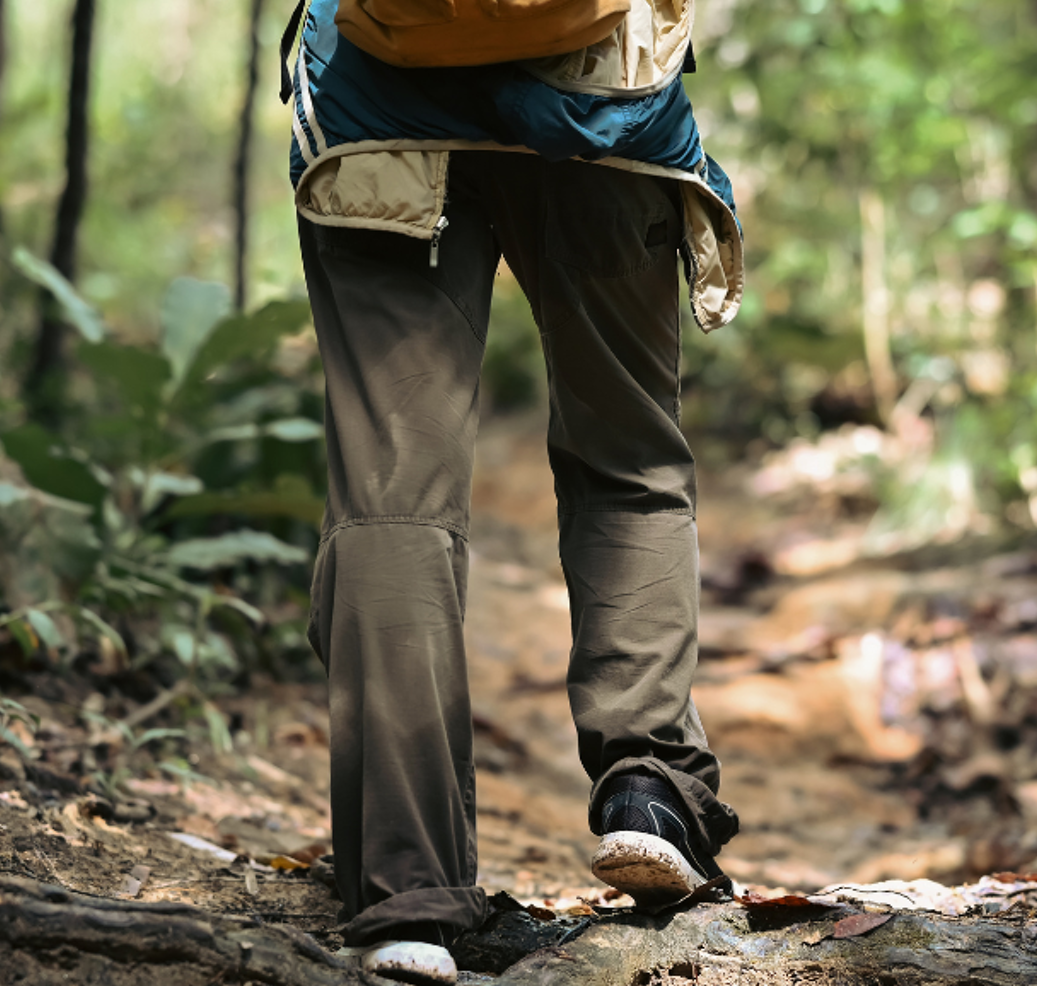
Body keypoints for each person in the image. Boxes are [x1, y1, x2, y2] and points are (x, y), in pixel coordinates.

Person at [281, 1, 746, 982]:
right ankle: (649, 789)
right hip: (602, 99)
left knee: (389, 500)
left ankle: (406, 894)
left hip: (378, 104)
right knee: (626, 466)